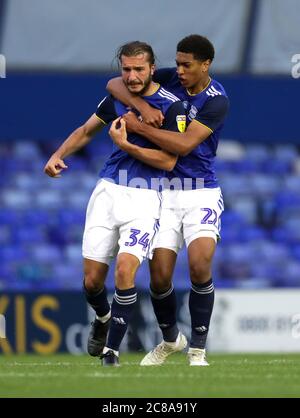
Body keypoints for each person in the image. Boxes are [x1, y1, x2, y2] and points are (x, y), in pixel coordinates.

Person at [44, 41, 187, 366]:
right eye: (126, 69)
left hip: (145, 196)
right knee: (93, 280)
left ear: (153, 68)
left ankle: (111, 351)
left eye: (139, 69)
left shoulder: (172, 107)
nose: (133, 76)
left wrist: (127, 145)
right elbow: (85, 131)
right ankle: (103, 316)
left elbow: (168, 161)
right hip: (107, 191)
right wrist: (57, 155)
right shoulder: (116, 100)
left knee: (125, 270)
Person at [107, 34, 229, 366]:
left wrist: (139, 126)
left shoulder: (216, 100)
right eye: (177, 63)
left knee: (199, 264)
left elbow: (183, 145)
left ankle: (198, 350)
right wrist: (143, 107)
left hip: (200, 189)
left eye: (187, 65)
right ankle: (171, 339)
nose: (180, 70)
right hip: (163, 192)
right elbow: (116, 84)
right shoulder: (170, 79)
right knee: (159, 276)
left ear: (206, 65)